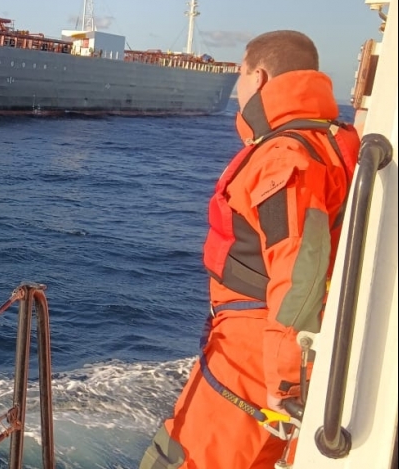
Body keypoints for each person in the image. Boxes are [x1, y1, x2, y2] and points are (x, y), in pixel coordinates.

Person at [139, 30, 361, 469]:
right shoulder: (334, 139)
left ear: (258, 78)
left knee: (185, 456)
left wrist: (286, 379)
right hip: (267, 336)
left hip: (257, 347)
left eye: (240, 75)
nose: (237, 89)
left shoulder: (284, 157)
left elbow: (300, 264)